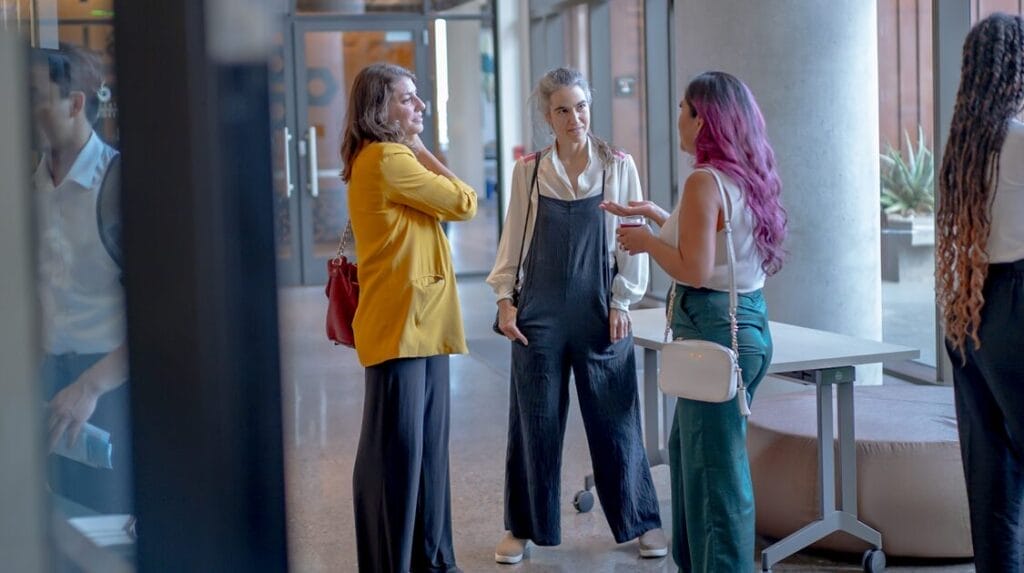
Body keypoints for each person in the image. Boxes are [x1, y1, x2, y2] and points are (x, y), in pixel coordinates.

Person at [604, 70, 786, 571]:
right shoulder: (743, 174)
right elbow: (715, 247)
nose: (678, 119)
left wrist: (646, 242)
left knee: (713, 473)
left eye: (683, 109)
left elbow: (695, 269)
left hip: (712, 327)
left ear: (702, 119)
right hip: (744, 324)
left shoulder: (704, 180)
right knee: (690, 452)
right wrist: (658, 216)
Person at [487, 67, 666, 564]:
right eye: (563, 110)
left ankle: (641, 521)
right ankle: (522, 527)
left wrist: (622, 301)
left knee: (615, 418)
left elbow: (633, 239)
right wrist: (504, 300)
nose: (575, 118)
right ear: (548, 117)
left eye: (581, 106)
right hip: (538, 311)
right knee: (534, 422)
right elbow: (512, 240)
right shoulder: (529, 170)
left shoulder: (617, 166)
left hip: (599, 310)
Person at [342, 63, 477, 573]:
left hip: (419, 323)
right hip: (403, 324)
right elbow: (464, 202)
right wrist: (421, 150)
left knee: (424, 454)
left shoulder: (377, 157)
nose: (420, 106)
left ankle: (431, 560)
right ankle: (399, 561)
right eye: (407, 98)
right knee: (399, 456)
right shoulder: (389, 158)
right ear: (381, 110)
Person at [936, 13, 1024, 573]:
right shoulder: (1020, 140)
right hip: (1017, 304)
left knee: (990, 473)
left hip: (970, 312)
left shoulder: (964, 146)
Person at [32, 43, 132, 515]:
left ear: (74, 103)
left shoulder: (117, 184)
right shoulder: (29, 185)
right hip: (48, 381)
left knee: (107, 527)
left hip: (108, 389)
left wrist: (90, 387)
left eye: (36, 96)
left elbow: (161, 315)